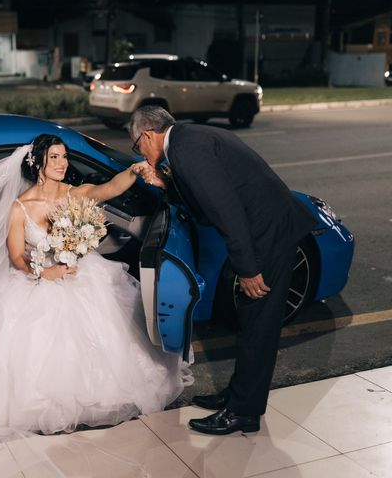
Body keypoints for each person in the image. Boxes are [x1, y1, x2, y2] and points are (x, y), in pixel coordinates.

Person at [0, 134, 193, 446]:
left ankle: (100, 398)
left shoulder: (74, 195)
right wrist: (46, 271)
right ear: (38, 162)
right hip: (40, 281)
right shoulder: (20, 208)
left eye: (65, 157)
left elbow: (108, 189)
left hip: (83, 276)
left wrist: (133, 171)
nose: (63, 164)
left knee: (108, 336)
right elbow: (17, 256)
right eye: (54, 158)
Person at [128, 106, 317, 435]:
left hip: (268, 235)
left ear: (146, 135)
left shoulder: (186, 150)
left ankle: (243, 413)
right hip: (266, 229)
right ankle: (238, 395)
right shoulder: (190, 137)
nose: (140, 152)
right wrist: (165, 183)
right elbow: (204, 205)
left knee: (259, 326)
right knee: (250, 321)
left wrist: (248, 268)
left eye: (137, 146)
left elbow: (226, 210)